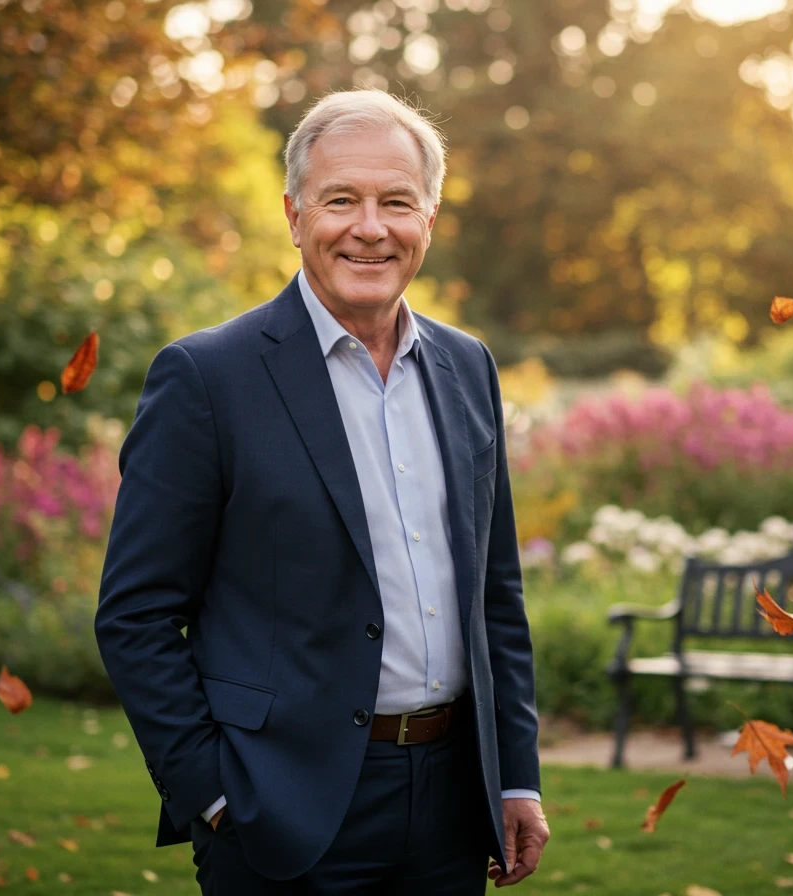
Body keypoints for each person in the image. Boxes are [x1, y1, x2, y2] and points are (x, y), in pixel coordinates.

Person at [94, 87, 549, 894]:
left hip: (451, 808)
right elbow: (135, 615)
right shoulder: (207, 377)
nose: (370, 227)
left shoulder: (468, 367)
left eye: (396, 202)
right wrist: (214, 793)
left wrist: (514, 777)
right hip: (281, 809)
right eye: (341, 199)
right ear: (295, 215)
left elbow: (495, 597)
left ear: (430, 220)